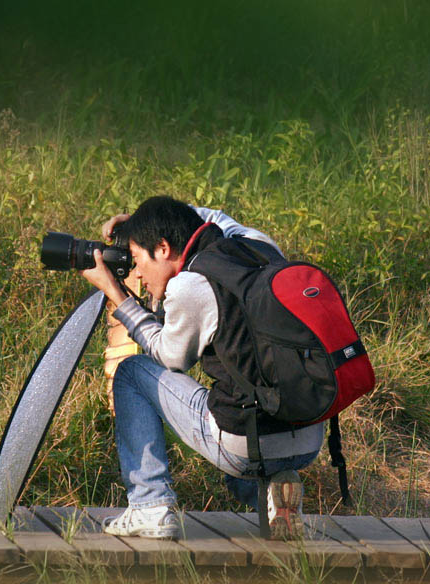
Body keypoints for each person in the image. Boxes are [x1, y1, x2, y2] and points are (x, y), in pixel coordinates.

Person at [79, 196, 324, 540]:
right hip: (309, 433)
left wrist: (116, 295)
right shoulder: (259, 247)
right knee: (237, 398)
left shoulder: (191, 284)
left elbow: (170, 358)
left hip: (246, 444)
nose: (137, 274)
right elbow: (214, 219)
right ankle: (269, 497)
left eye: (137, 260)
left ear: (163, 248)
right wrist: (141, 223)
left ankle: (150, 507)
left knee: (132, 372)